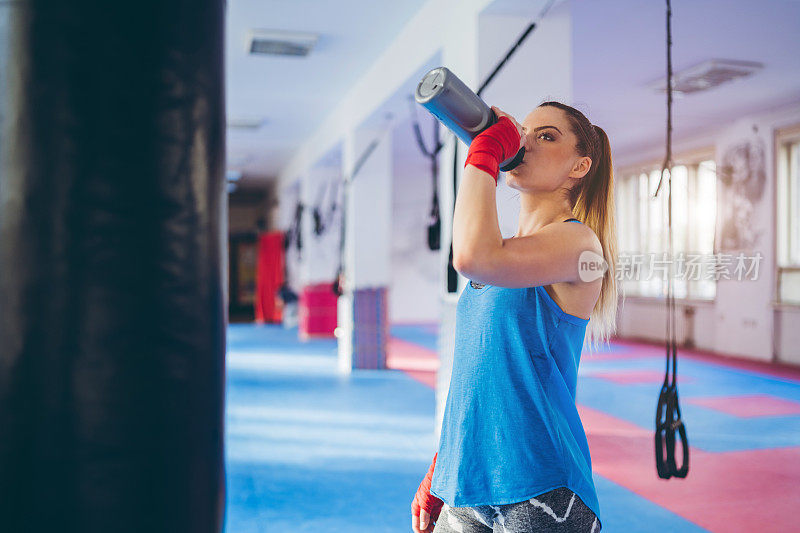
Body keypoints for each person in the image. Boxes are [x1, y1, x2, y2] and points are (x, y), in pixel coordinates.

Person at [411, 102, 618, 532]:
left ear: (580, 166)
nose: (524, 140)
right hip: (467, 483)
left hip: (542, 488)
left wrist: (483, 151)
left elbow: (469, 255)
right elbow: (476, 367)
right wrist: (443, 461)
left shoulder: (581, 246)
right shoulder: (506, 254)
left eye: (547, 136)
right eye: (524, 131)